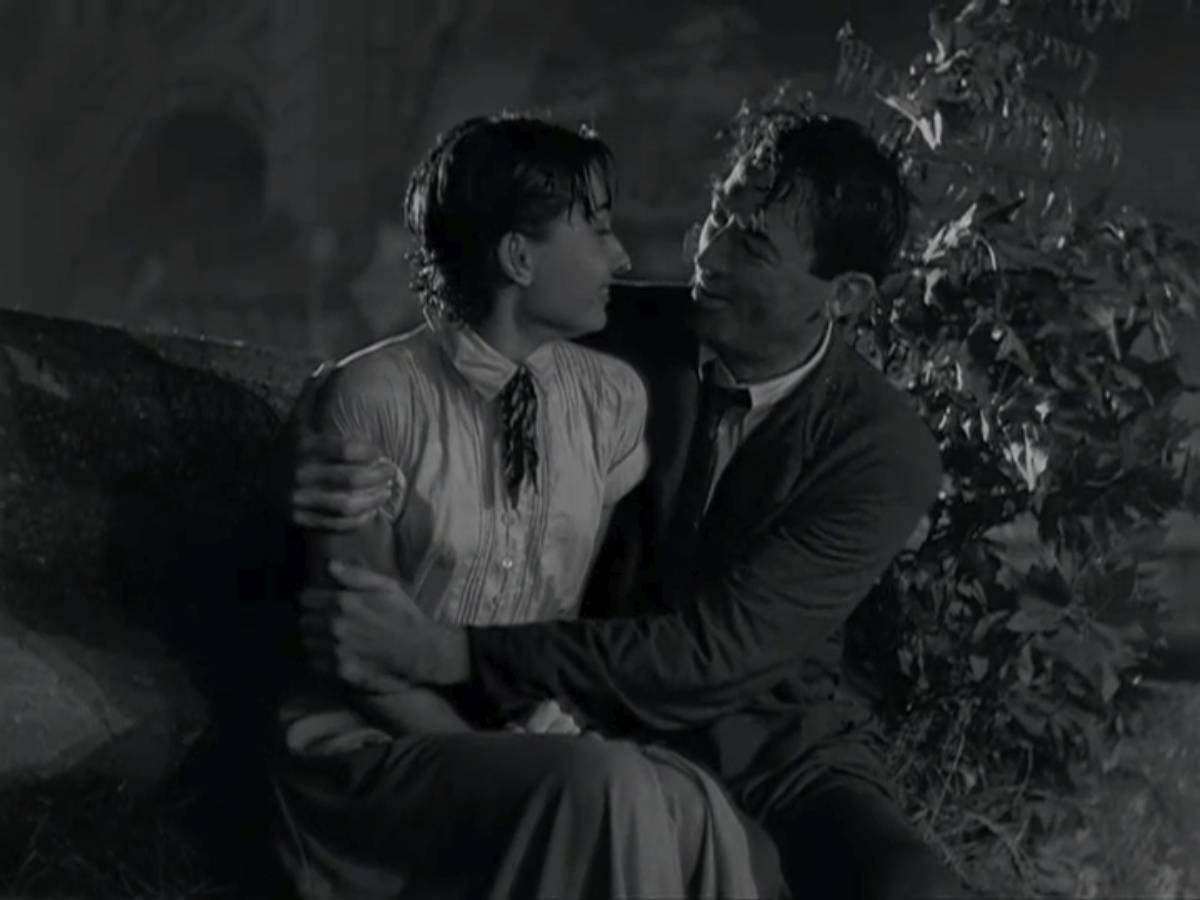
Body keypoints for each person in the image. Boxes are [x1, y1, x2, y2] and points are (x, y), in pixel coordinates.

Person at [290, 110, 967, 900]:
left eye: (752, 245)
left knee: (912, 889)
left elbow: (717, 652)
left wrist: (459, 652)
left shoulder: (880, 448)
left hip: (774, 747)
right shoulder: (614, 332)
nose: (707, 254)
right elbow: (429, 369)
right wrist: (309, 448)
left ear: (843, 295)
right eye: (719, 214)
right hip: (588, 710)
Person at [271, 113, 765, 900]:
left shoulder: (610, 400)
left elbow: (594, 602)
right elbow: (360, 661)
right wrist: (502, 747)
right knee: (602, 784)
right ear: (518, 256)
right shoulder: (375, 398)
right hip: (383, 741)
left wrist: (545, 722)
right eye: (597, 230)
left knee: (690, 803)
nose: (622, 257)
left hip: (527, 724)